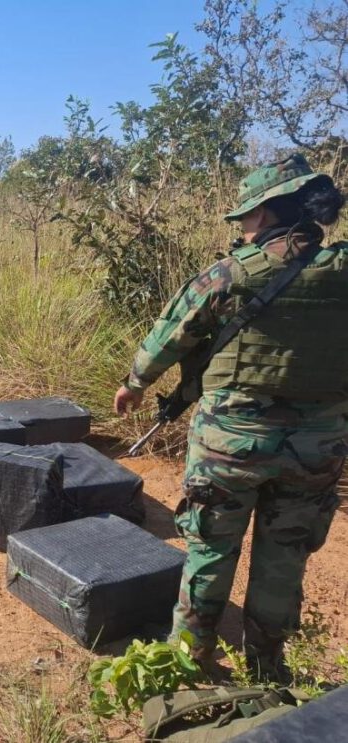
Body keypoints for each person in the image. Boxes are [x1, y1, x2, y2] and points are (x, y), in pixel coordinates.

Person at [113, 154, 347, 680]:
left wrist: (133, 386)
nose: (240, 227)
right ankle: (268, 666)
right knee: (284, 557)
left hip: (229, 446)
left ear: (263, 215)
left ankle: (187, 659)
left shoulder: (231, 273)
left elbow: (169, 336)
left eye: (244, 217)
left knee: (210, 548)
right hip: (316, 450)